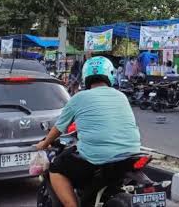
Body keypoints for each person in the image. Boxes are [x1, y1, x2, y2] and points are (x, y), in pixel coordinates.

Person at [35, 56, 140, 207]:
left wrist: (44, 144)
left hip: (98, 157)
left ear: (86, 77)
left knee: (56, 168)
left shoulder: (79, 97)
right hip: (131, 152)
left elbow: (59, 128)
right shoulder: (121, 96)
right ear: (110, 74)